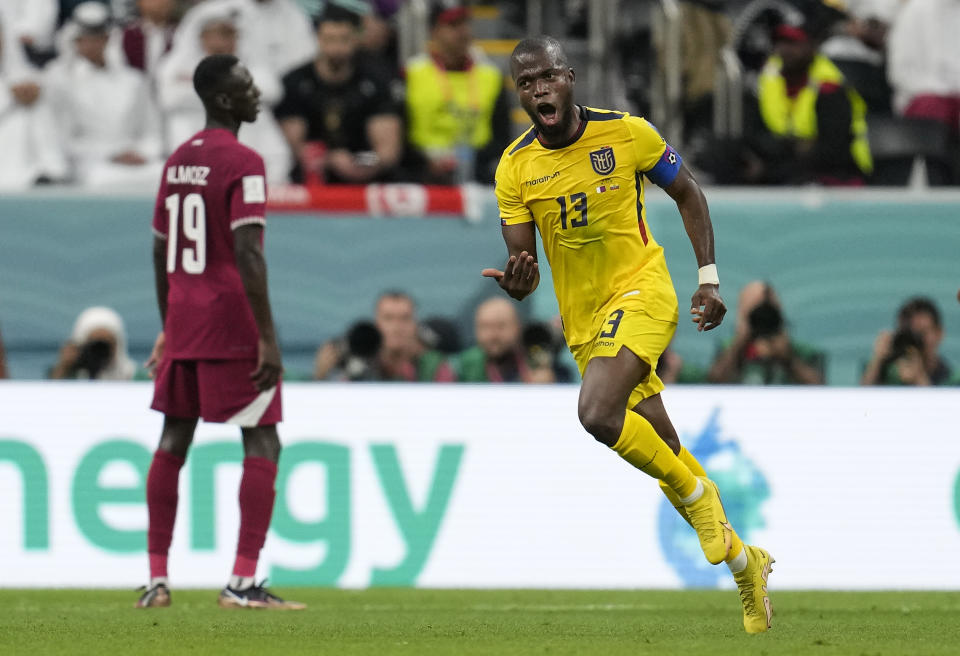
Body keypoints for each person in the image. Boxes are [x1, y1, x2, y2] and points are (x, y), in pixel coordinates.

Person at [484, 36, 774, 634]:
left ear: (569, 78)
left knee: (595, 413)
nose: (538, 89)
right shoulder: (514, 167)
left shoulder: (628, 133)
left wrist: (709, 279)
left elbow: (688, 192)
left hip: (643, 291)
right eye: (525, 83)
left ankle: (701, 499)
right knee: (662, 447)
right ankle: (749, 565)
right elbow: (522, 260)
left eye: (547, 77)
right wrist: (518, 280)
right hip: (585, 321)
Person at [137, 53, 303, 610]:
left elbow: (161, 250)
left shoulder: (177, 161)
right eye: (249, 86)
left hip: (184, 318)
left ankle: (157, 580)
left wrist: (168, 328)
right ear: (227, 99)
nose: (258, 94)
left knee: (172, 441)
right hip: (231, 321)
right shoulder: (245, 162)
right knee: (262, 438)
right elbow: (248, 252)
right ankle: (241, 582)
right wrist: (268, 337)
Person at [155, 3, 291, 182]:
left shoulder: (251, 66)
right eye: (217, 35)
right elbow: (170, 97)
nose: (223, 42)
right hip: (195, 151)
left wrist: (208, 92)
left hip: (248, 158)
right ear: (202, 36)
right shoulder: (177, 65)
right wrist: (232, 91)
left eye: (230, 35)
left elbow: (272, 91)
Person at [274, 4, 403, 184]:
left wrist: (361, 163)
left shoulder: (377, 81)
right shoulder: (296, 82)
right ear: (317, 39)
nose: (336, 48)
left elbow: (388, 152)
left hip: (367, 179)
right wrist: (329, 159)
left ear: (357, 38)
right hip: (311, 180)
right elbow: (293, 146)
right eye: (330, 39)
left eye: (344, 39)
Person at [44, 2, 164, 188]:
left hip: (138, 159)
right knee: (104, 179)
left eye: (99, 38)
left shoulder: (133, 80)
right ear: (75, 41)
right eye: (86, 39)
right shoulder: (60, 81)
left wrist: (143, 153)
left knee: (166, 175)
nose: (93, 44)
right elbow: (64, 138)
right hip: (90, 162)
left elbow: (152, 130)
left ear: (108, 39)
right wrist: (111, 154)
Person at [746, 16, 873, 185]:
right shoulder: (769, 79)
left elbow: (831, 150)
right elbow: (757, 133)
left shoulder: (829, 86)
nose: (785, 50)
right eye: (780, 43)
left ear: (812, 46)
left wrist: (780, 153)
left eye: (793, 43)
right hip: (787, 166)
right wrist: (792, 146)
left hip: (839, 173)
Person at [404, 1, 511, 184]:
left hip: (478, 173)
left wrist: (476, 160)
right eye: (453, 26)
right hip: (422, 174)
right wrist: (423, 161)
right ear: (434, 31)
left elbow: (502, 136)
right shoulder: (412, 74)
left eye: (465, 24)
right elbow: (402, 132)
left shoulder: (490, 75)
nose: (463, 32)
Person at [707, 281, 824, 385]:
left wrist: (788, 358)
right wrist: (739, 344)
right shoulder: (727, 349)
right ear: (741, 314)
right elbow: (713, 383)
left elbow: (819, 388)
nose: (763, 319)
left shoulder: (803, 352)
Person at [887, 0, 960, 134]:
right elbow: (900, 72)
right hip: (923, 96)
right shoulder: (915, 10)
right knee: (933, 106)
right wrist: (942, 91)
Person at [456, 297, 556, 383]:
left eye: (501, 326)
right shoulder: (461, 367)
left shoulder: (537, 361)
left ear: (517, 327)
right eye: (485, 327)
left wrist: (545, 388)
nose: (493, 335)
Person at [861, 296, 953, 386]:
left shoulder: (952, 379)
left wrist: (919, 380)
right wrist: (877, 361)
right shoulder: (886, 372)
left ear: (939, 334)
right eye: (908, 334)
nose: (914, 341)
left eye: (921, 333)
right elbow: (862, 396)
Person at [49, 306, 138, 380]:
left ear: (119, 345)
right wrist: (64, 367)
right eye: (94, 343)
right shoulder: (69, 375)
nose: (99, 350)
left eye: (106, 344)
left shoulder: (136, 378)